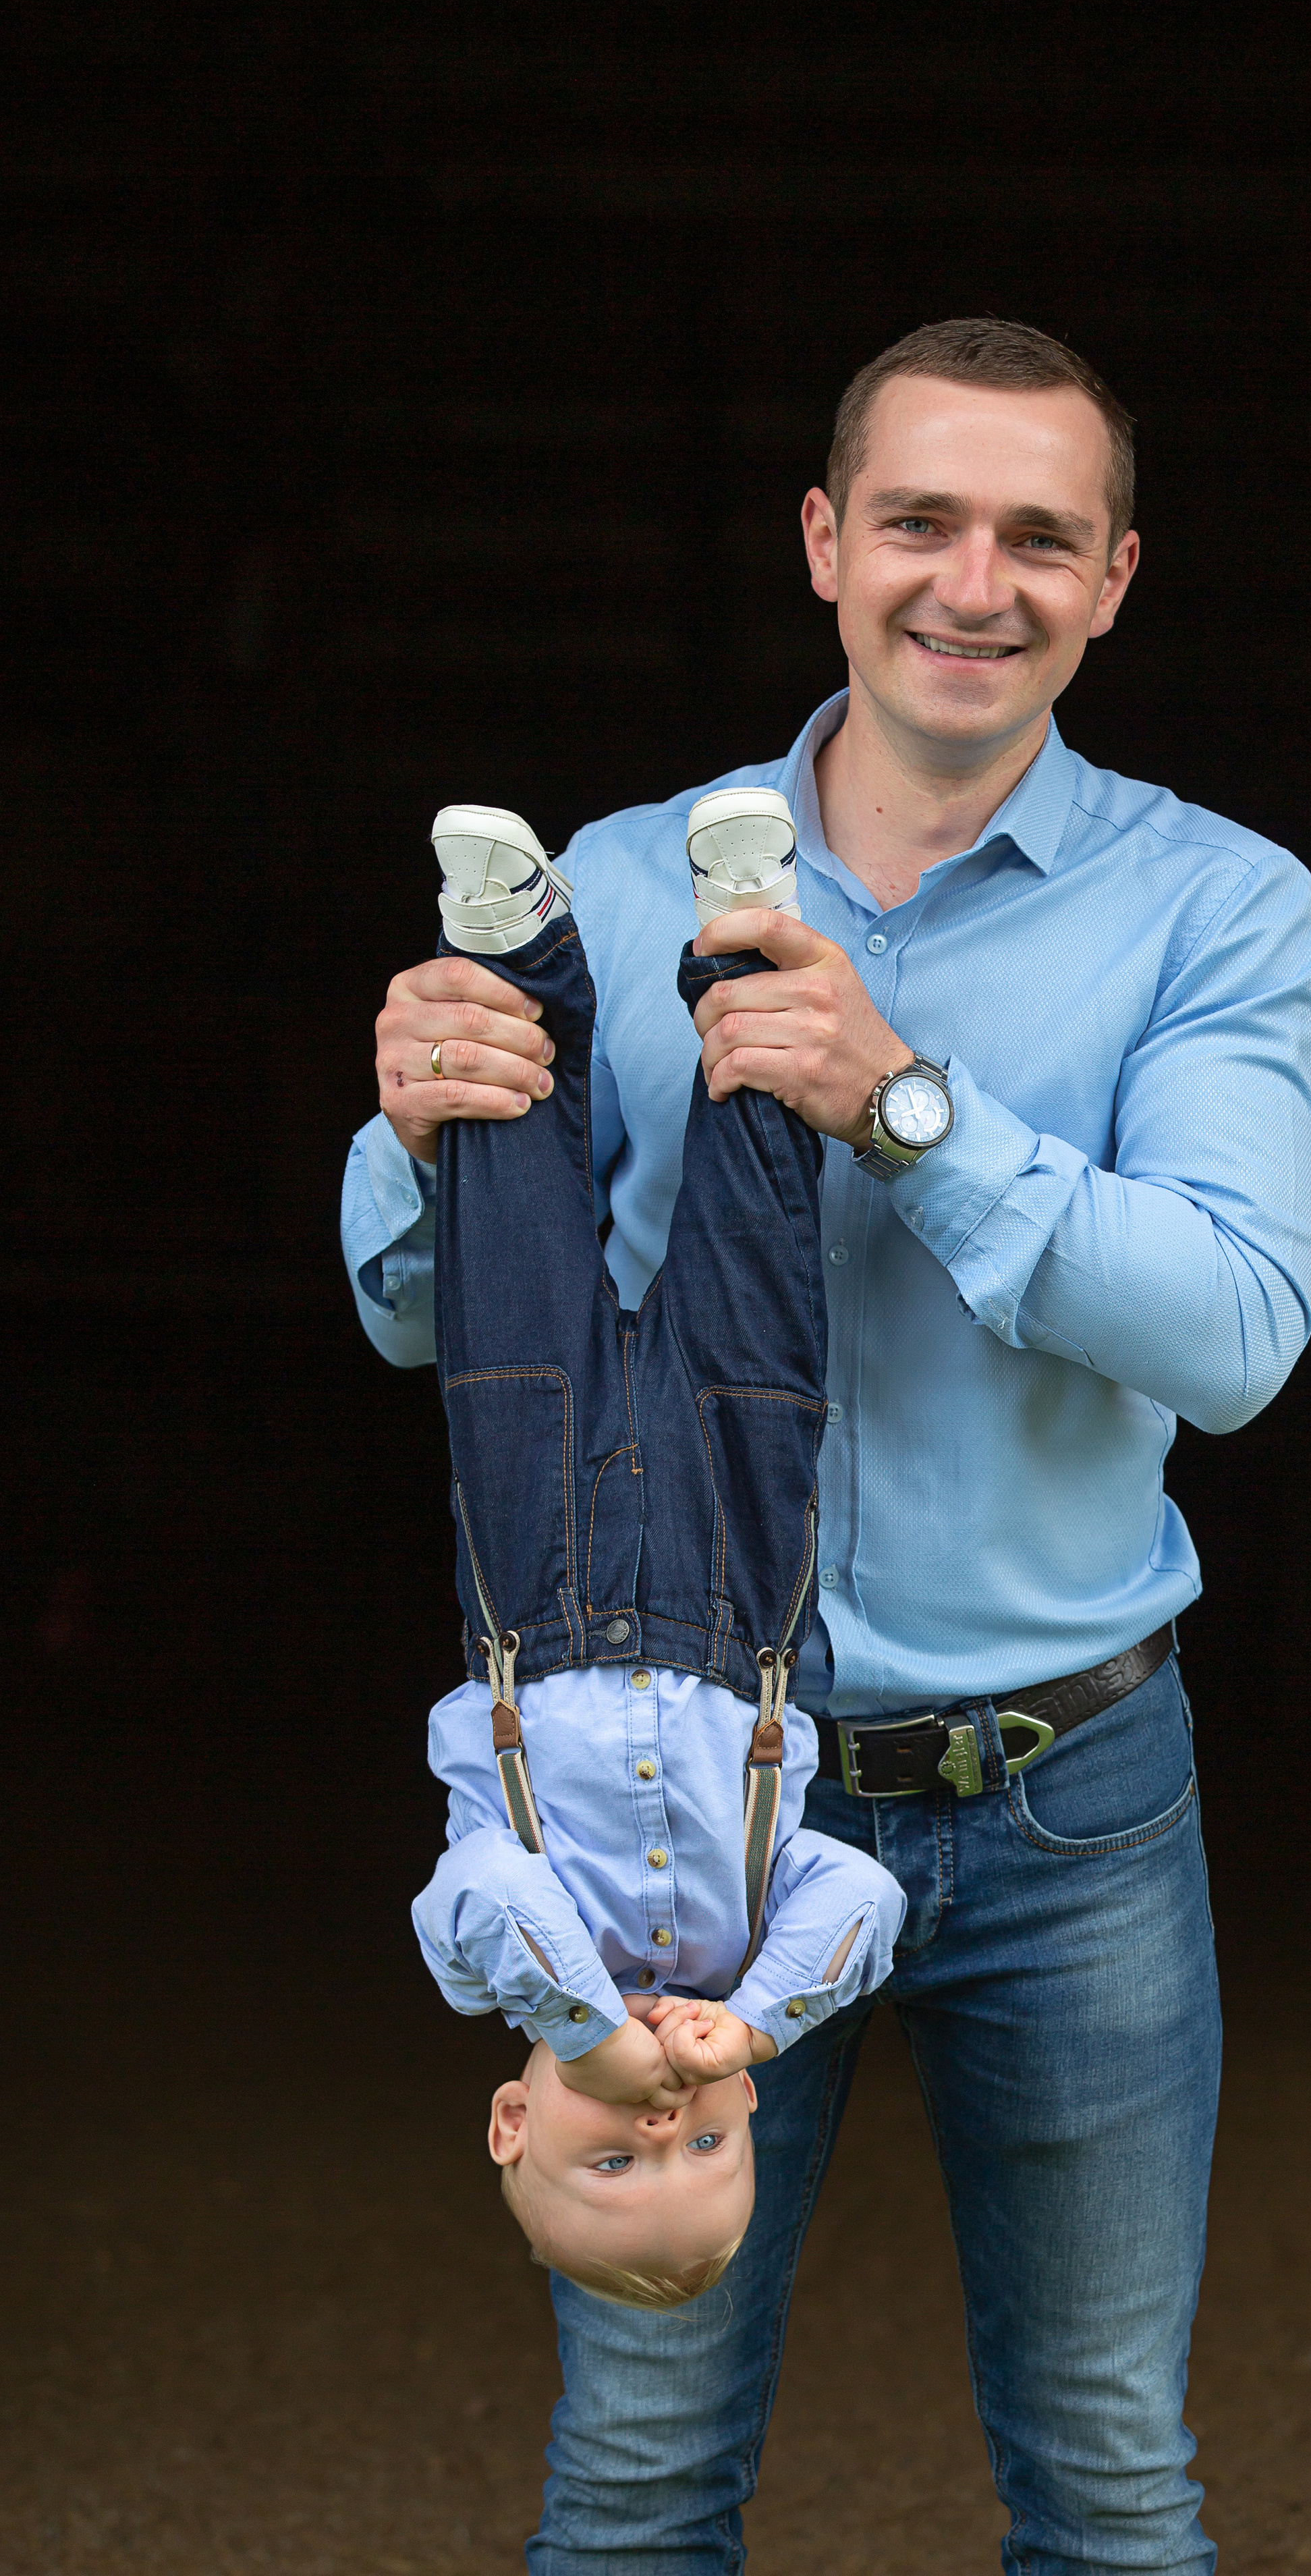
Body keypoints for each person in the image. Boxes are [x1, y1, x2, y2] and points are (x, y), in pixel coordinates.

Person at [343, 317, 1311, 2573]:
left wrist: (905, 1101)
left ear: (1116, 579)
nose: (972, 582)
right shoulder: (605, 884)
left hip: (1068, 1801)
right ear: (823, 543)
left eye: (1038, 538)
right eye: (920, 520)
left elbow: (1239, 1331)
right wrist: (407, 1142)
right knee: (638, 2485)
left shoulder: (1219, 909)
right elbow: (418, 1319)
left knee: (1107, 2486)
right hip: (673, 1832)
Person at [408, 798, 905, 2311]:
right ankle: (739, 945)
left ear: (513, 2122)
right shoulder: (767, 1941)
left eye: (608, 2163)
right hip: (733, 1575)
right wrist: (751, 2024)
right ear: (745, 2116)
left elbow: (494, 1884)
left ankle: (511, 959)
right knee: (754, 1261)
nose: (655, 2128)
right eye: (700, 2154)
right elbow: (865, 1910)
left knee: (511, 1263)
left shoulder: (487, 1965)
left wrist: (589, 2028)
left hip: (535, 1577)